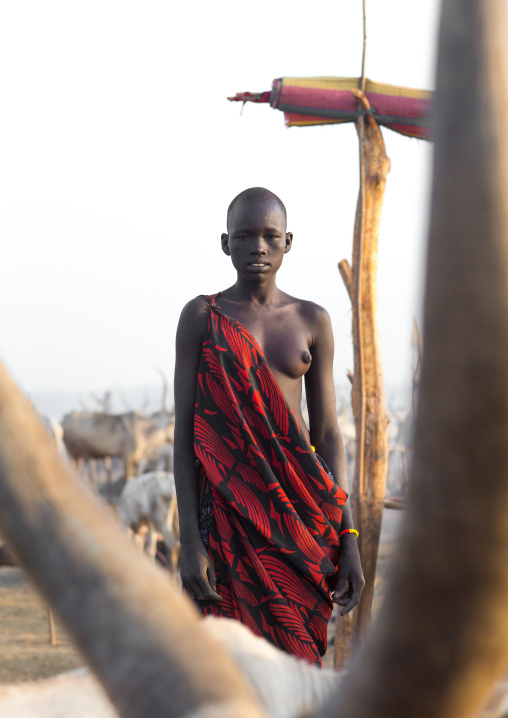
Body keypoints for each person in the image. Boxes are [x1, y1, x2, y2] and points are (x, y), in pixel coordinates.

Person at [173, 187, 364, 667]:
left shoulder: (312, 320)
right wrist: (189, 543)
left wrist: (349, 539)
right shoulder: (202, 317)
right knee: (226, 668)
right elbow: (185, 437)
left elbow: (327, 437)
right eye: (244, 236)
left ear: (288, 242)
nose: (258, 246)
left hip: (301, 519)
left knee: (297, 669)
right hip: (225, 521)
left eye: (269, 236)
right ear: (226, 244)